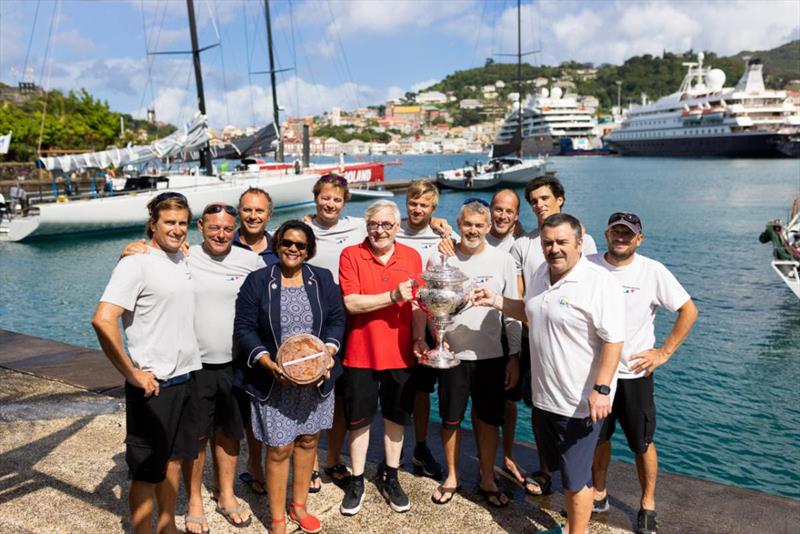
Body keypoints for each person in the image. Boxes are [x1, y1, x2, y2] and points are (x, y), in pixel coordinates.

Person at [473, 213, 625, 534]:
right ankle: (571, 525)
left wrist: (602, 389)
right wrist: (496, 300)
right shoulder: (542, 272)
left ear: (580, 244)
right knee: (564, 474)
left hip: (579, 403)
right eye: (547, 242)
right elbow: (530, 310)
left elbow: (614, 340)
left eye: (562, 242)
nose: (554, 249)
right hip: (545, 398)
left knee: (575, 480)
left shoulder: (599, 283)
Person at [118, 202, 264, 532]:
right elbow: (147, 261)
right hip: (194, 365)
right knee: (193, 438)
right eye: (214, 227)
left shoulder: (250, 260)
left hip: (234, 363)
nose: (221, 234)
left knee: (229, 433)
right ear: (200, 226)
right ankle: (195, 501)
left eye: (228, 228)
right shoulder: (183, 254)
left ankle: (226, 495)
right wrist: (130, 249)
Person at [91, 192, 201, 534]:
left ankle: (166, 527)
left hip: (185, 377)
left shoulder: (182, 258)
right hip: (155, 385)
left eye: (183, 223)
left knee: (173, 459)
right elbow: (103, 319)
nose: (178, 229)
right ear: (153, 224)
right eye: (169, 222)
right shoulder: (135, 262)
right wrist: (131, 372)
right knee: (145, 471)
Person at [588, 212, 698, 534]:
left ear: (639, 239)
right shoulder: (589, 266)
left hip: (635, 375)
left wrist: (664, 353)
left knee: (642, 443)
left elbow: (688, 310)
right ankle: (599, 493)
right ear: (606, 234)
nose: (621, 237)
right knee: (598, 437)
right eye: (616, 231)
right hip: (598, 375)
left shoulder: (652, 271)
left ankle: (647, 503)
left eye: (628, 233)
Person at [234, 220, 345, 534]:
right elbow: (244, 327)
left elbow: (337, 320)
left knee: (309, 441)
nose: (293, 249)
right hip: (275, 381)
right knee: (280, 447)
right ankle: (278, 516)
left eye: (300, 245)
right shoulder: (258, 281)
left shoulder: (322, 279)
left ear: (309, 249)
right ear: (277, 244)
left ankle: (299, 506)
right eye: (287, 243)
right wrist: (267, 362)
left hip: (316, 380)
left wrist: (328, 354)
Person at [426, 199, 521, 509]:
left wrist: (514, 355)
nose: (473, 230)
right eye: (467, 224)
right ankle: (452, 476)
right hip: (452, 355)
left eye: (479, 226)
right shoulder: (442, 256)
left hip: (491, 356)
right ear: (459, 222)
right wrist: (438, 338)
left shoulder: (503, 260)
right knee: (451, 419)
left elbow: (512, 311)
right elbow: (430, 304)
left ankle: (486, 477)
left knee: (488, 420)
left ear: (489, 227)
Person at [337, 199, 428, 516]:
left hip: (401, 354)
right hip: (360, 353)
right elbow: (351, 303)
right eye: (374, 224)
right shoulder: (351, 255)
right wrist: (392, 296)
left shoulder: (412, 256)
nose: (380, 230)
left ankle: (391, 475)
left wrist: (418, 337)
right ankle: (358, 479)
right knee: (358, 421)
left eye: (387, 224)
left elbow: (417, 305)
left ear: (397, 227)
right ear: (367, 226)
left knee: (396, 418)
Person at [509, 175, 597, 496]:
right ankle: (546, 470)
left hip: (574, 341)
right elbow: (521, 296)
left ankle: (584, 479)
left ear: (559, 199)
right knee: (539, 407)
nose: (539, 205)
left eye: (545, 198)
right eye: (534, 201)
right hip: (536, 340)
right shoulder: (523, 244)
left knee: (582, 411)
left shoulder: (582, 239)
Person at [306, 173, 367, 489]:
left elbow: (400, 227)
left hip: (346, 324)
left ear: (345, 203)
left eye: (337, 199)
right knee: (313, 395)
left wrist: (439, 223)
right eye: (325, 197)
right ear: (316, 197)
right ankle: (311, 463)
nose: (330, 204)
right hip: (312, 324)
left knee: (341, 396)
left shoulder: (357, 227)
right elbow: (257, 239)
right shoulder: (303, 229)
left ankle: (333, 458)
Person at [394, 179, 454, 480]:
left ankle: (419, 447)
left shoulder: (442, 235)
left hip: (428, 321)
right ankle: (392, 454)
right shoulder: (393, 227)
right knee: (391, 387)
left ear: (433, 208)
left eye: (424, 205)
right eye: (413, 203)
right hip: (394, 316)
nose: (417, 209)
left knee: (421, 389)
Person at [231, 186, 279, 495]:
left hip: (271, 343)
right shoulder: (221, 242)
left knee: (273, 406)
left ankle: (301, 463)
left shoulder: (280, 246)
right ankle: (254, 463)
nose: (253, 215)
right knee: (244, 411)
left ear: (269, 214)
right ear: (240, 212)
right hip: (233, 344)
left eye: (259, 210)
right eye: (247, 209)